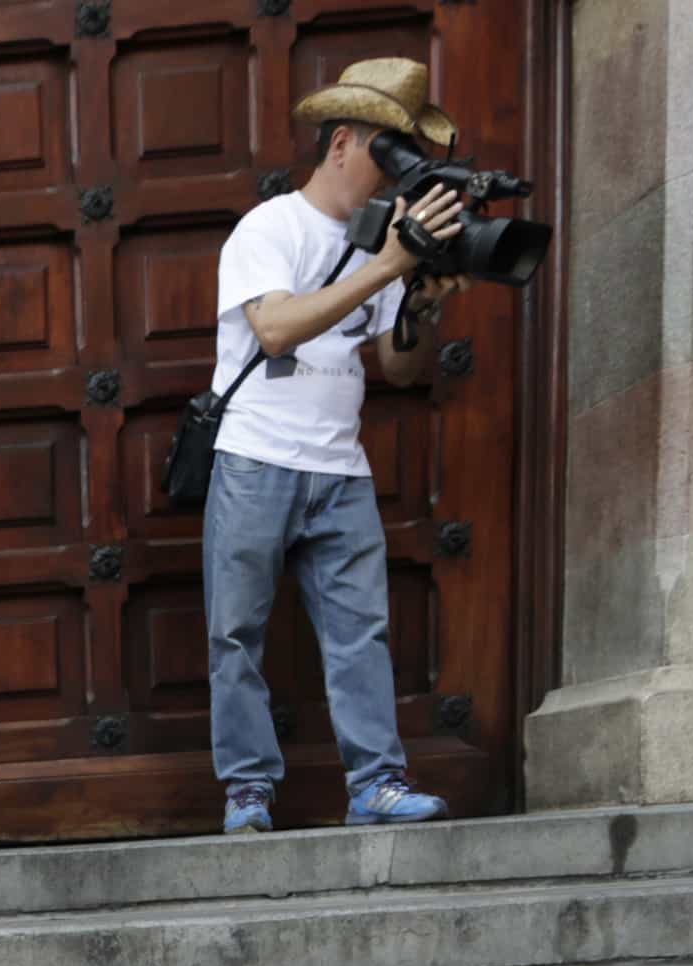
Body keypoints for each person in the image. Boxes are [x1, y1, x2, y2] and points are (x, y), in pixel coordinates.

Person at [201, 60, 466, 835]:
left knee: (361, 634)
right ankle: (248, 790)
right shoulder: (271, 227)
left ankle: (376, 783)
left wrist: (417, 301)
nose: (399, 174)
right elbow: (275, 328)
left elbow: (398, 365)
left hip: (341, 469)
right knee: (235, 633)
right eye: (392, 152)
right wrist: (389, 264)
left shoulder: (388, 240)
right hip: (254, 457)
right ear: (343, 142)